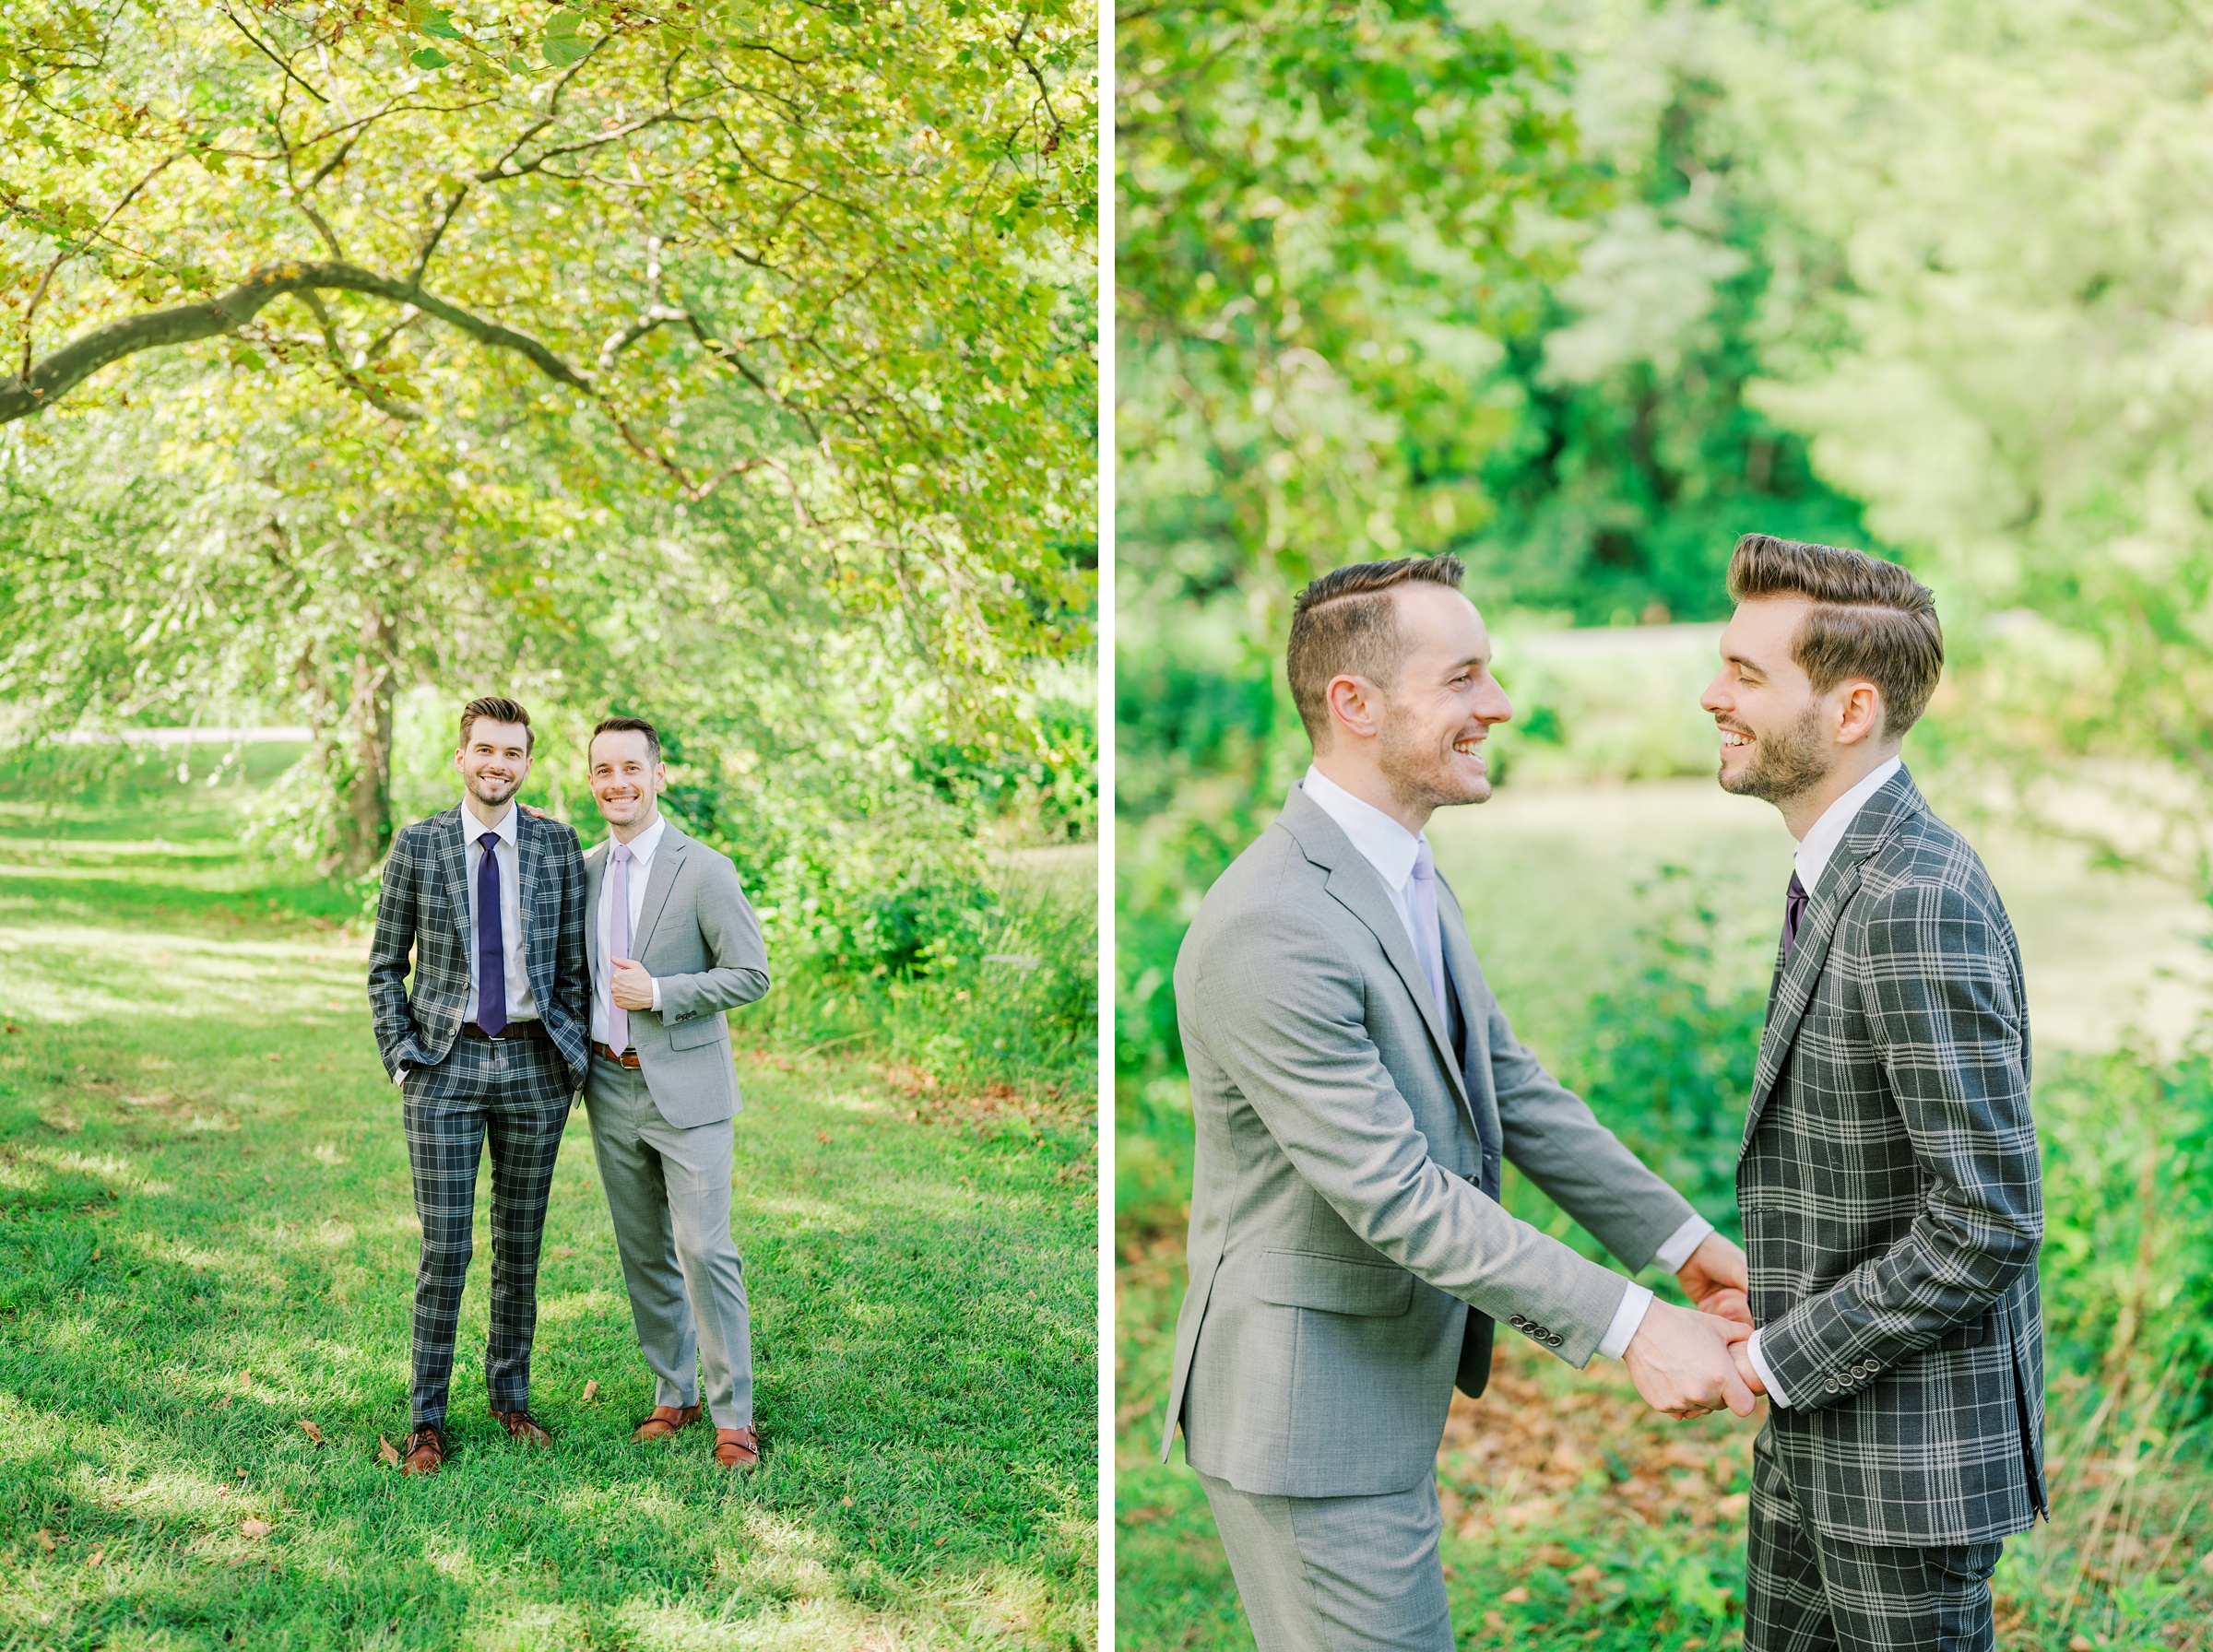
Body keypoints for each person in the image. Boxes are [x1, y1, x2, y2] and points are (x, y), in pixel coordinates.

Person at [1163, 554, 1756, 1652]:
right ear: (1356, 703)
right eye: (1465, 677)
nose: (1501, 705)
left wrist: (1683, 1246)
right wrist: (1631, 1327)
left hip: (1369, 1397)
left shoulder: (1399, 871)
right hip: (1305, 1416)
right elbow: (1397, 1195)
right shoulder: (1273, 925)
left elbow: (1510, 1087)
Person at [1702, 535, 2045, 1652]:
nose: (1713, 696)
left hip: (1908, 1478)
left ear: (1851, 711)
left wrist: (1769, 1358)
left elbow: (1984, 1223)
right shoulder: (1844, 868)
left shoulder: (1913, 898)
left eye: (1747, 675)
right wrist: (1783, 1305)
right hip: (1821, 1437)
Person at [367, 696, 590, 1476]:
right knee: (446, 1249)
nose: (498, 765)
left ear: (527, 764)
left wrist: (571, 1060)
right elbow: (384, 964)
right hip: (445, 1067)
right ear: (461, 758)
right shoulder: (420, 845)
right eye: (485, 751)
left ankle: (510, 1399)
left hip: (535, 1067)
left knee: (520, 1248)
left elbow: (573, 968)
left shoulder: (558, 847)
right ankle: (427, 1420)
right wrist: (403, 1055)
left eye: (513, 753)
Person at [578, 715, 771, 1470]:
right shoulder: (587, 867)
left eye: (631, 768)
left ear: (660, 775)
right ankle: (674, 1391)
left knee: (704, 1248)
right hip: (607, 1083)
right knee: (644, 1251)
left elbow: (751, 973)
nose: (617, 783)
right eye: (602, 771)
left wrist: (660, 990)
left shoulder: (705, 870)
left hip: (688, 1090)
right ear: (591, 781)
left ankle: (735, 1415)